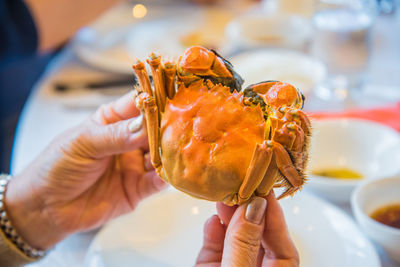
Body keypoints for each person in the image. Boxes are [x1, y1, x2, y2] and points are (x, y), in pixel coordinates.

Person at [0, 92, 299, 267]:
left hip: (158, 165)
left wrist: (37, 210)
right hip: (233, 191)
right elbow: (288, 140)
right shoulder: (264, 144)